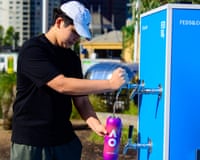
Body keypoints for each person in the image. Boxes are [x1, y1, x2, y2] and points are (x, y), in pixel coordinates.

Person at [10, 1, 128, 160]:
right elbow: (61, 85)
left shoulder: (72, 58)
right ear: (59, 22)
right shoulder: (33, 50)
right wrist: (109, 84)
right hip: (31, 142)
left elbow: (82, 101)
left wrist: (95, 124)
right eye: (74, 32)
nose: (76, 38)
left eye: (79, 34)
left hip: (64, 142)